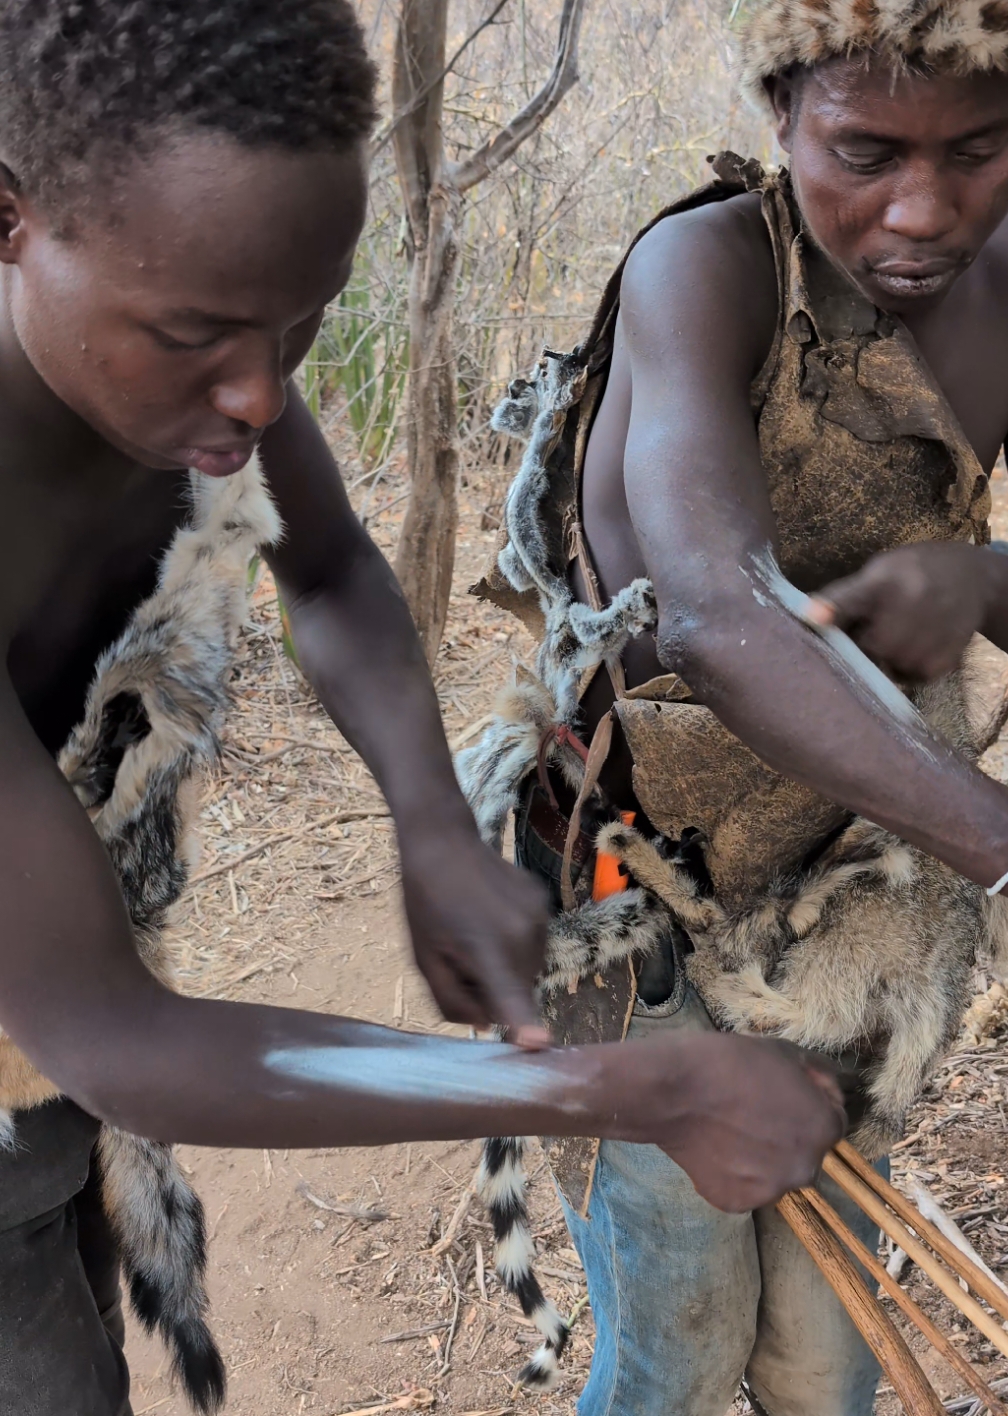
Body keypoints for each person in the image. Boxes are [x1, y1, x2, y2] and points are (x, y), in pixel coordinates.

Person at [0, 5, 845, 1415]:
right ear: (11, 217)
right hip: (51, 1027)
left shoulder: (179, 352)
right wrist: (616, 1093)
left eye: (304, 314)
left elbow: (327, 571)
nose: (266, 388)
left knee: (69, 1254)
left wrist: (433, 827)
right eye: (199, 332)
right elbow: (117, 1038)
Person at [460, 3, 1008, 1413]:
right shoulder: (702, 272)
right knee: (679, 1351)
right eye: (866, 149)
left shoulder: (994, 296)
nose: (923, 209)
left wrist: (981, 575)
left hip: (854, 903)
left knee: (826, 1364)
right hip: (634, 892)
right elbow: (712, 611)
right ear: (782, 115)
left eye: (982, 151)